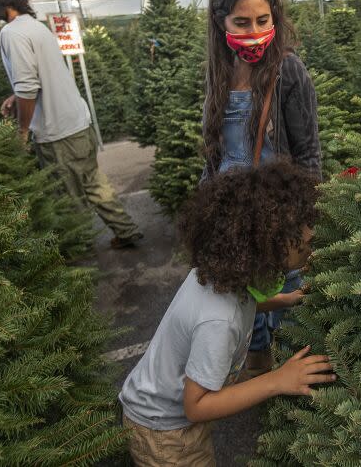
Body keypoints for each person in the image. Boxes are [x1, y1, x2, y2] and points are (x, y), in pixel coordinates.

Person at [119, 160, 333, 465]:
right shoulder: (219, 321)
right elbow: (196, 406)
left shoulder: (222, 274)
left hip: (160, 411)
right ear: (268, 243)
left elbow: (244, 304)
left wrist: (283, 300)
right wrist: (277, 379)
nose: (311, 244)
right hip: (166, 433)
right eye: (305, 241)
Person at [200, 0, 322, 375]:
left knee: (286, 295)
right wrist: (205, 213)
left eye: (262, 20)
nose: (253, 31)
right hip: (233, 212)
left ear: (275, 18)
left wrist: (304, 221)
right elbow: (213, 153)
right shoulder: (218, 73)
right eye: (242, 22)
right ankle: (257, 365)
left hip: (280, 211)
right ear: (221, 23)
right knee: (242, 295)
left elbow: (307, 153)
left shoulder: (289, 70)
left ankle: (290, 381)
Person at [0, 0, 143, 249]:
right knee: (94, 184)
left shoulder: (12, 33)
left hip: (57, 134)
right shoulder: (35, 26)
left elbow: (28, 87)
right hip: (78, 124)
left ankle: (80, 257)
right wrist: (16, 95)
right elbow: (40, 77)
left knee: (68, 199)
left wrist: (22, 132)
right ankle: (126, 230)